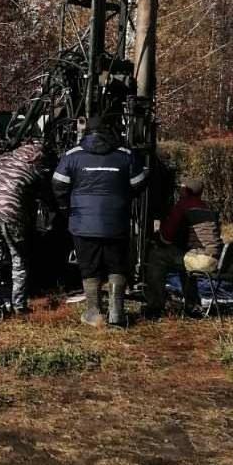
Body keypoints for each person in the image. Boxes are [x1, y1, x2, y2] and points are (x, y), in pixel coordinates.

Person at [52, 116, 146, 327]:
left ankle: (94, 313)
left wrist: (69, 208)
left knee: (89, 267)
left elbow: (58, 185)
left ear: (87, 132)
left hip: (82, 223)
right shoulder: (125, 155)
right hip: (116, 223)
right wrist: (123, 199)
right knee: (117, 266)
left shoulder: (72, 156)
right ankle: (117, 313)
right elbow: (140, 184)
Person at [0, 139, 50, 321]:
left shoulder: (7, 158)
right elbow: (44, 186)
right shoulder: (37, 165)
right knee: (18, 260)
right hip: (12, 213)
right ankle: (19, 306)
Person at [145, 177, 223, 316]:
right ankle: (192, 304)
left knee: (157, 256)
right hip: (215, 259)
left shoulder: (183, 205)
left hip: (200, 260)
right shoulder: (206, 208)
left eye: (180, 188)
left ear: (186, 191)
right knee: (184, 258)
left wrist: (156, 237)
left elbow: (166, 237)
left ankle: (155, 306)